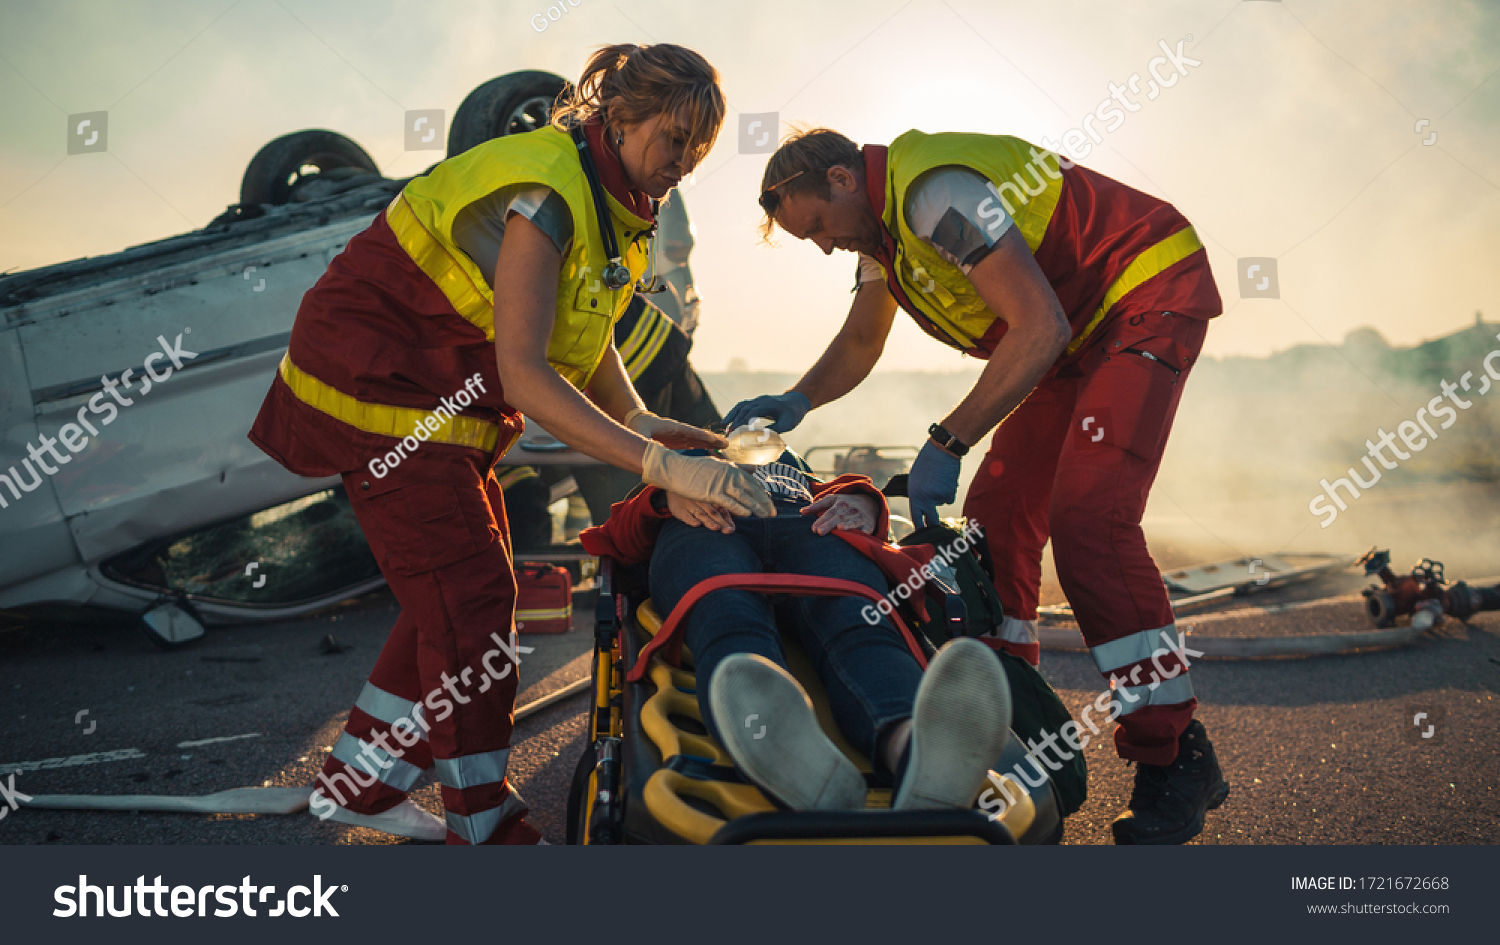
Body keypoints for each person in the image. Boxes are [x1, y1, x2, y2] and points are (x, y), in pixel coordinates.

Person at [247, 44, 772, 845]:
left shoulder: (616, 202)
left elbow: (585, 331)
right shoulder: (551, 192)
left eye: (699, 148)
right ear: (621, 119)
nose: (684, 163)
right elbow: (526, 376)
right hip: (378, 387)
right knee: (474, 601)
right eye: (675, 139)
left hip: (438, 403)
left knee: (448, 590)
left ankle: (359, 782)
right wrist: (660, 468)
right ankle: (482, 820)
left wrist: (643, 420)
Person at [728, 127, 1228, 844]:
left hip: (1142, 293)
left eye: (816, 227)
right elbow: (863, 340)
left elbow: (1037, 325)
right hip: (1078, 335)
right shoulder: (884, 236)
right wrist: (799, 399)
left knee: (1090, 521)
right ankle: (1009, 721)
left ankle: (1175, 755)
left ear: (841, 178)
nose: (824, 247)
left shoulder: (935, 197)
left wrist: (948, 439)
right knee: (994, 523)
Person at [580, 449, 1013, 812]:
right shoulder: (679, 469)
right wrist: (665, 495)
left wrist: (864, 504)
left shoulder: (807, 480)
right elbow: (617, 537)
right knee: (727, 613)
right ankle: (784, 749)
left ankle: (918, 753)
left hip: (809, 521)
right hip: (701, 526)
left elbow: (874, 521)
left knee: (857, 617)